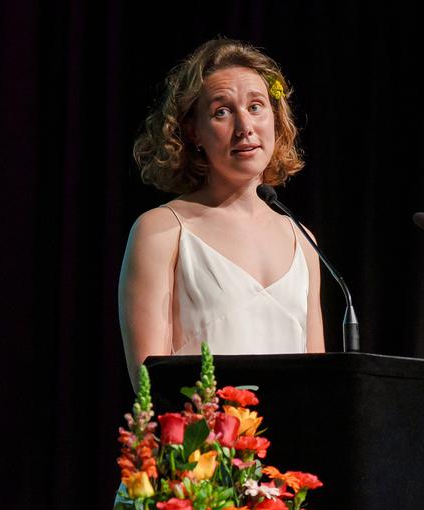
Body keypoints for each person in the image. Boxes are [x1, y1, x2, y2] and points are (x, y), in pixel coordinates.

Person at [120, 38, 324, 392]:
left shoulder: (303, 240)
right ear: (193, 132)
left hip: (290, 444)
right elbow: (149, 386)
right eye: (222, 111)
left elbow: (321, 382)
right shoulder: (161, 230)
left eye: (256, 106)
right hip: (203, 445)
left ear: (275, 119)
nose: (244, 126)